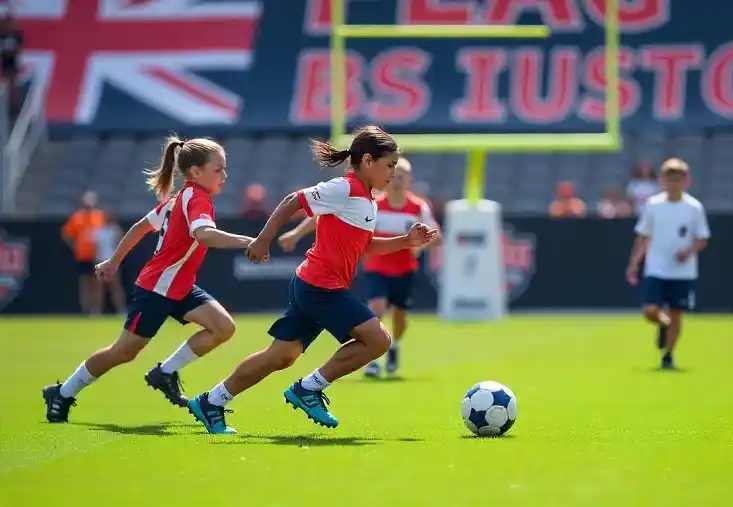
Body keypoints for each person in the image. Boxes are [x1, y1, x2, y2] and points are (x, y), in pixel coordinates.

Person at [187, 126, 438, 434]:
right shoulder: (345, 188)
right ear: (368, 161)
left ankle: (211, 401)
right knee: (378, 340)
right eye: (389, 165)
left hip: (315, 285)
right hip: (321, 288)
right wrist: (265, 239)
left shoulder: (367, 199)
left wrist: (405, 241)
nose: (392, 173)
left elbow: (364, 246)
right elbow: (293, 200)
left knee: (279, 356)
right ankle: (310, 387)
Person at [42, 136, 255, 423]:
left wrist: (114, 260)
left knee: (223, 327)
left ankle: (164, 372)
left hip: (178, 285)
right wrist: (250, 241)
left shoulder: (181, 199)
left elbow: (141, 227)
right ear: (195, 172)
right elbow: (203, 234)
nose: (225, 176)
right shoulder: (196, 198)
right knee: (123, 352)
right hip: (157, 288)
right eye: (219, 169)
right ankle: (62, 392)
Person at [280, 157, 440, 377]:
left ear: (409, 180)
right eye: (395, 174)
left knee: (400, 316)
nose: (397, 180)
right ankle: (373, 361)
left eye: (402, 176)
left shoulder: (418, 208)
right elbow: (325, 216)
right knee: (377, 306)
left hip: (404, 270)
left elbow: (435, 235)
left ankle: (395, 346)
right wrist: (297, 233)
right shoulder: (373, 205)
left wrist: (419, 247)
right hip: (377, 268)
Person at [626, 158, 710, 369]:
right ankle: (662, 324)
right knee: (649, 310)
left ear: (686, 181)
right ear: (662, 180)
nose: (674, 183)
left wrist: (689, 252)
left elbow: (702, 238)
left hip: (683, 271)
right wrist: (634, 263)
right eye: (670, 178)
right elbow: (643, 235)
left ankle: (668, 355)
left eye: (678, 179)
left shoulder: (694, 207)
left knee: (677, 312)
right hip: (657, 267)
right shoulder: (653, 205)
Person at [62, 190, 106, 316]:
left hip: (98, 256)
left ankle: (96, 310)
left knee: (97, 284)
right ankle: (85, 309)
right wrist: (74, 246)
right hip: (83, 256)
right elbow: (66, 233)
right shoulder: (77, 217)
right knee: (85, 284)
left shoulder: (100, 216)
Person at [93, 212, 127, 314]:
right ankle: (96, 311)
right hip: (100, 260)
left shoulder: (115, 230)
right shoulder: (99, 230)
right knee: (99, 287)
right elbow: (96, 247)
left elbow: (121, 244)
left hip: (112, 261)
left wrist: (116, 260)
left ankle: (121, 309)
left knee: (115, 286)